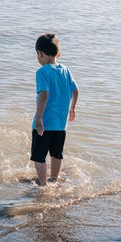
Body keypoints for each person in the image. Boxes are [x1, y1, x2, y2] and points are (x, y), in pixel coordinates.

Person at [30, 33, 79, 186]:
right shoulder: (66, 70)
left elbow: (44, 94)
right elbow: (76, 90)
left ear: (40, 53)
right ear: (59, 54)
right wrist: (72, 109)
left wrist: (38, 118)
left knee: (39, 156)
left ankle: (43, 184)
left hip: (45, 123)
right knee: (56, 154)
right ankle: (54, 179)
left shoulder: (42, 72)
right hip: (60, 124)